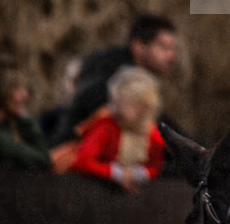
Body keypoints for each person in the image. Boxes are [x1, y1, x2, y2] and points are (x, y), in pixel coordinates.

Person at [50, 13, 178, 146]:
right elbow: (152, 122)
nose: (172, 56)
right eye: (163, 47)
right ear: (138, 46)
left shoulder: (111, 65)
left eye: (173, 48)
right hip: (79, 154)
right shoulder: (119, 78)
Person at [68, 65, 166, 193]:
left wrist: (137, 174)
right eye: (112, 101)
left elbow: (155, 167)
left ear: (143, 107)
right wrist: (116, 173)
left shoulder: (154, 136)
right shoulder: (106, 128)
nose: (112, 108)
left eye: (120, 103)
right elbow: (82, 161)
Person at [38, 56, 82, 141]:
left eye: (78, 80)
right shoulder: (50, 119)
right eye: (70, 80)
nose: (74, 86)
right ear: (65, 82)